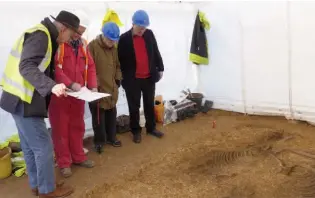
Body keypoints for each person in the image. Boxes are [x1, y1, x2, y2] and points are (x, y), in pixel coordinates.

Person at [0, 11, 79, 197]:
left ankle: (37, 184)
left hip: (16, 98)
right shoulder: (41, 36)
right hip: (24, 100)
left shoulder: (44, 34)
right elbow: (26, 66)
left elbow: (39, 67)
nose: (70, 39)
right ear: (63, 28)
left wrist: (56, 85)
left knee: (29, 146)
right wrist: (51, 86)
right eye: (71, 34)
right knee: (43, 146)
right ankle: (47, 191)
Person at [48, 10, 97, 178]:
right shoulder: (58, 43)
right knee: (60, 129)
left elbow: (90, 66)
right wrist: (71, 84)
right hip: (60, 95)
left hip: (79, 95)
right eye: (77, 32)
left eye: (81, 33)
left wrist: (93, 86)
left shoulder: (83, 44)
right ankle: (64, 163)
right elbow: (55, 70)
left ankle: (78, 157)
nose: (78, 36)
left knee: (78, 126)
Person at [118, 10, 164, 144]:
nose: (142, 30)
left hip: (149, 77)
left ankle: (151, 128)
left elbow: (156, 51)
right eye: (139, 27)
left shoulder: (149, 34)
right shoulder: (124, 38)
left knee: (149, 104)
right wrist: (122, 78)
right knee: (134, 107)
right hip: (133, 80)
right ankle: (136, 131)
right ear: (133, 24)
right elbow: (119, 60)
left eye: (144, 28)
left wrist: (160, 68)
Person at [88, 22, 122, 153]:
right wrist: (94, 85)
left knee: (111, 115)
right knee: (98, 118)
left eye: (114, 40)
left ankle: (112, 137)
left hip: (112, 88)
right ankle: (99, 141)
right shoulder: (92, 46)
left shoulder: (114, 48)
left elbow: (118, 66)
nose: (111, 43)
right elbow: (89, 68)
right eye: (109, 40)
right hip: (97, 89)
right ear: (103, 35)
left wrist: (118, 79)